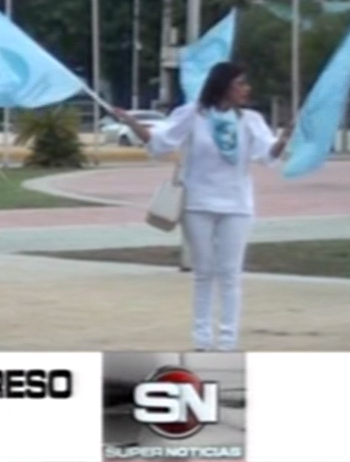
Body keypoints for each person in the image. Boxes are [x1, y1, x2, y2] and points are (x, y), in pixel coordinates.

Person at [111, 61, 292, 352]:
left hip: (237, 204)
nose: (246, 89)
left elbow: (267, 155)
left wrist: (283, 140)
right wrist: (132, 123)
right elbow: (160, 143)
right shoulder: (194, 115)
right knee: (204, 272)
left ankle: (228, 341)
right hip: (198, 203)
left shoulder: (251, 120)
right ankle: (202, 340)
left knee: (230, 274)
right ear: (223, 85)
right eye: (240, 83)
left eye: (246, 84)